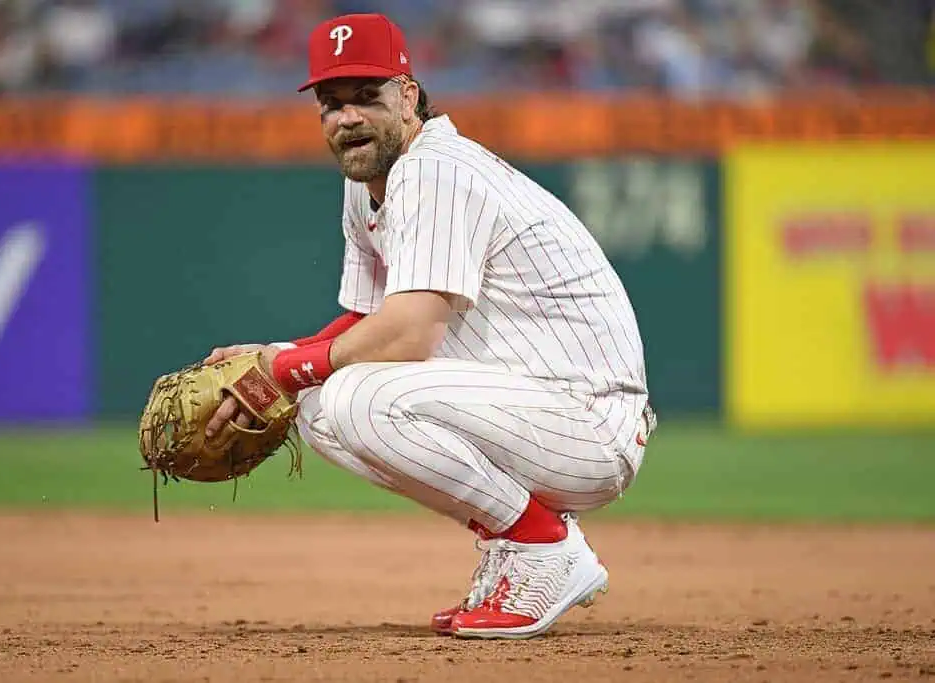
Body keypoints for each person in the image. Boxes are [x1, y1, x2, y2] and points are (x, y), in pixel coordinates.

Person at [203, 12, 656, 640]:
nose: (348, 117)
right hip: (525, 403)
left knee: (354, 397)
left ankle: (544, 546)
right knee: (317, 402)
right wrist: (278, 358)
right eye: (332, 104)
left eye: (368, 97)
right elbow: (368, 321)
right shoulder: (367, 181)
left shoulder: (436, 169)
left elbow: (408, 336)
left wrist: (278, 370)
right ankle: (523, 541)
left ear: (409, 95)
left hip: (588, 420)